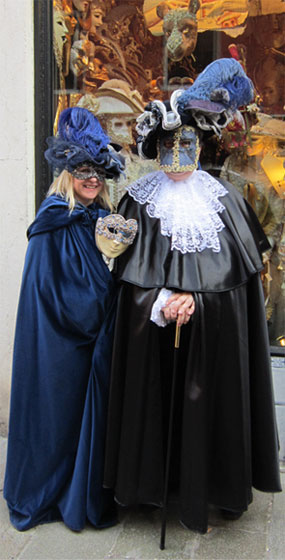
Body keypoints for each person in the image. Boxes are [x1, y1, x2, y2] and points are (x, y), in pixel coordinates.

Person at [103, 58, 282, 534]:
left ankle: (214, 485)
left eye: (187, 143)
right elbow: (122, 291)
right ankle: (150, 487)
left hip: (213, 344)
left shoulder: (227, 203)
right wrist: (159, 303)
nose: (179, 153)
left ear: (201, 144)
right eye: (169, 144)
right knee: (157, 394)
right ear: (155, 147)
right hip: (154, 342)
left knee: (211, 401)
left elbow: (240, 296)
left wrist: (199, 303)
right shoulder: (134, 202)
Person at [4, 107, 125, 531]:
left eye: (97, 171)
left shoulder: (99, 218)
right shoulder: (53, 219)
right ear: (67, 172)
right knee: (58, 418)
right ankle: (53, 494)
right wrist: (92, 313)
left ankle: (83, 491)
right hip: (60, 346)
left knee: (83, 420)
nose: (92, 179)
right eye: (83, 169)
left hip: (93, 342)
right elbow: (48, 290)